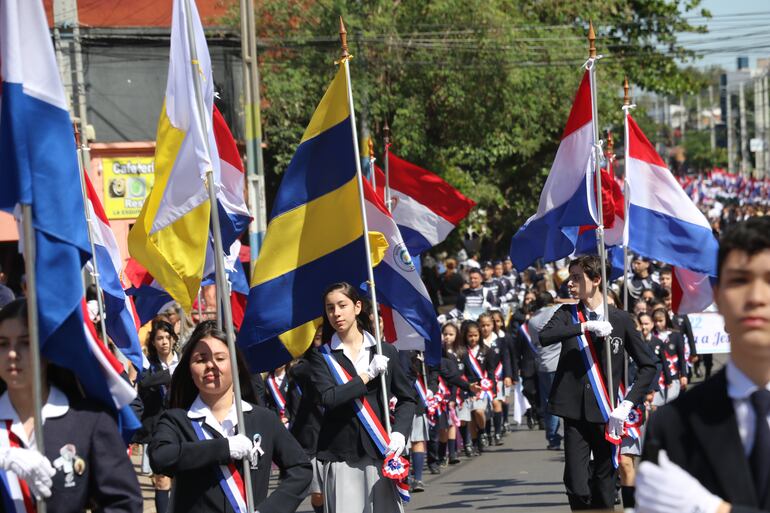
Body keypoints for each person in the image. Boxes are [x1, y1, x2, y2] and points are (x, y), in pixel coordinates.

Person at [637, 217, 770, 513]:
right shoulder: (673, 424)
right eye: (740, 281)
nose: (756, 297)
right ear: (718, 297)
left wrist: (714, 510)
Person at [149, 321, 312, 513]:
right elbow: (160, 457)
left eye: (220, 358)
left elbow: (301, 469)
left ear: (236, 365)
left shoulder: (263, 419)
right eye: (201, 359)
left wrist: (270, 509)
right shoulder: (176, 420)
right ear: (189, 370)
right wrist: (224, 448)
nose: (211, 365)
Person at [0, 299, 142, 512]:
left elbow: (124, 503)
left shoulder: (88, 419)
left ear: (47, 349)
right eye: (2, 344)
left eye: (26, 342)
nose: (12, 354)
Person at [539, 255, 656, 510]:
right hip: (574, 411)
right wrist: (584, 326)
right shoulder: (567, 314)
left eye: (577, 278)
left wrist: (627, 405)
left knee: (605, 485)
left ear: (596, 279)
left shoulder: (620, 319)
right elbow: (545, 336)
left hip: (608, 413)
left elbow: (649, 365)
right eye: (570, 278)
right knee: (577, 484)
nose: (570, 283)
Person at [309, 283, 416, 513]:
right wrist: (367, 376)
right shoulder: (321, 357)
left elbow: (408, 398)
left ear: (357, 307)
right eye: (330, 308)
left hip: (381, 453)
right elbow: (330, 398)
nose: (336, 313)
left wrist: (399, 433)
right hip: (341, 457)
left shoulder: (384, 351)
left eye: (342, 305)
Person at [136, 320, 179, 513]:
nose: (164, 342)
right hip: (158, 431)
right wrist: (170, 374)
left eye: (167, 338)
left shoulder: (186, 361)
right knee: (162, 481)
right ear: (153, 342)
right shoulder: (148, 366)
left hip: (184, 427)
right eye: (159, 338)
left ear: (173, 340)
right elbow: (144, 384)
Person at [289, 327, 325, 513]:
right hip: (312, 437)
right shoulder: (302, 368)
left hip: (340, 434)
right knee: (318, 492)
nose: (318, 334)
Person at [460, 320, 498, 455]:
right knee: (468, 417)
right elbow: (459, 372)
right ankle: (473, 442)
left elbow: (491, 371)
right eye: (470, 336)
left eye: (475, 335)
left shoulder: (486, 351)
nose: (473, 338)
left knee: (479, 412)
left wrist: (492, 390)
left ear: (479, 335)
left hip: (482, 388)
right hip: (466, 387)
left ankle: (482, 432)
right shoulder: (462, 352)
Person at [650, 307, 687, 405]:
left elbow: (681, 356)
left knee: (672, 402)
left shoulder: (675, 335)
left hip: (673, 374)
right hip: (657, 376)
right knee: (655, 404)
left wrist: (683, 374)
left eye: (660, 321)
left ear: (667, 319)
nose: (658, 324)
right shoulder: (651, 336)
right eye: (655, 321)